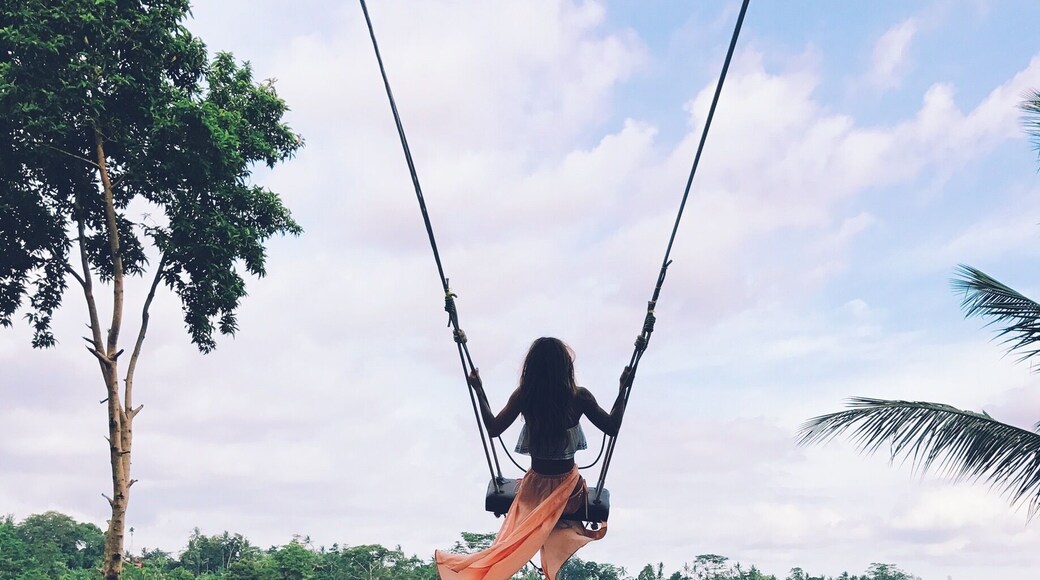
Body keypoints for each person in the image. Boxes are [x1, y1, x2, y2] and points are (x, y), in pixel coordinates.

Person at [435, 337, 632, 580]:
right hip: (568, 492)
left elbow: (494, 428)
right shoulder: (579, 397)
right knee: (558, 521)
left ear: (532, 369)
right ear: (565, 368)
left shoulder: (525, 397)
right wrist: (623, 389)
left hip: (534, 491)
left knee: (529, 520)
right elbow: (611, 427)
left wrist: (479, 391)